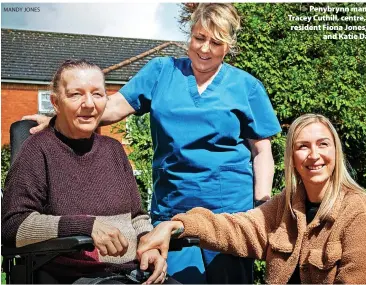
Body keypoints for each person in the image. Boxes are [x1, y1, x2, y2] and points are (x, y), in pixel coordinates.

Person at [22, 3, 281, 283]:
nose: (205, 49)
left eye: (216, 42)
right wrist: (62, 117)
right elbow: (112, 107)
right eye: (199, 38)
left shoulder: (246, 86)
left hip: (228, 211)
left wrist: (262, 201)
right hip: (173, 207)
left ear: (228, 46)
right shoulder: (161, 72)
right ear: (189, 36)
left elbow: (261, 150)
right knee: (176, 279)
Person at [136, 113, 366, 284]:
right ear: (291, 159)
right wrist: (175, 225)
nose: (314, 155)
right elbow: (234, 228)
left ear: (336, 152)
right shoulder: (285, 207)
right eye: (303, 146)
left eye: (323, 144)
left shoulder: (360, 212)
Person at [2, 59, 168, 284]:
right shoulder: (37, 150)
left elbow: (137, 217)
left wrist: (148, 246)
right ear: (56, 102)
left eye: (97, 94)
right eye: (76, 95)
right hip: (76, 275)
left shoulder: (114, 149)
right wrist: (84, 226)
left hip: (132, 273)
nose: (89, 104)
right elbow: (14, 225)